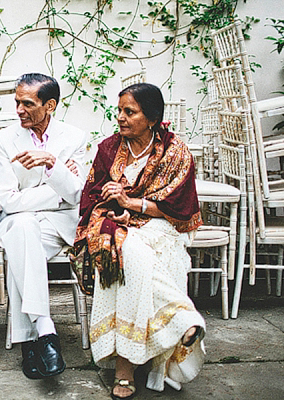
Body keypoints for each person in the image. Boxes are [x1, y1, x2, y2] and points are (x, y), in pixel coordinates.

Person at [74, 83, 204, 399]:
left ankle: (126, 368)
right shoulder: (108, 149)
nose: (120, 117)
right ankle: (180, 321)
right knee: (127, 248)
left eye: (129, 112)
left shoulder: (176, 154)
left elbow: (179, 210)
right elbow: (91, 199)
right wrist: (114, 210)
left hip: (161, 225)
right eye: (119, 110)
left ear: (151, 117)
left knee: (134, 254)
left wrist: (131, 204)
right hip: (118, 228)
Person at [0, 73, 88, 379]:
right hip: (20, 223)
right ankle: (45, 331)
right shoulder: (5, 139)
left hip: (58, 226)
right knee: (22, 229)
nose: (19, 109)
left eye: (27, 103)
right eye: (17, 102)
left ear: (50, 105)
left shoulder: (74, 138)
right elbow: (8, 201)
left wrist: (50, 162)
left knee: (23, 248)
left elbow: (76, 194)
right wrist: (57, 190)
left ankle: (29, 344)